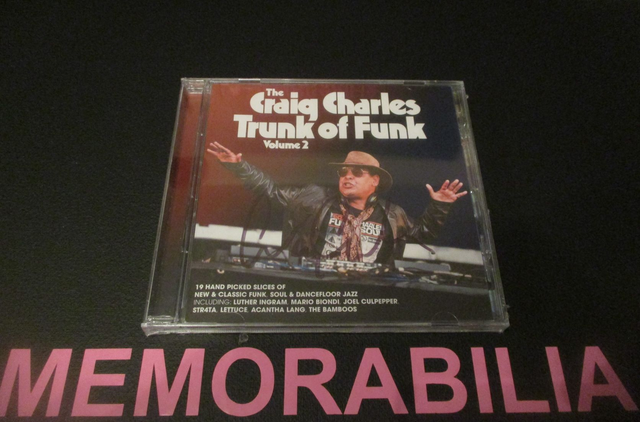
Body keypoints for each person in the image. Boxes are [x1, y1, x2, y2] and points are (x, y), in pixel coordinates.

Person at [207, 142, 467, 265]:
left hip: (370, 289)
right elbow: (271, 191)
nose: (348, 176)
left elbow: (423, 233)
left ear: (375, 180)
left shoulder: (391, 213)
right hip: (318, 284)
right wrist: (238, 166)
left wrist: (440, 206)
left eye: (357, 172)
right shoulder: (314, 198)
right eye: (344, 171)